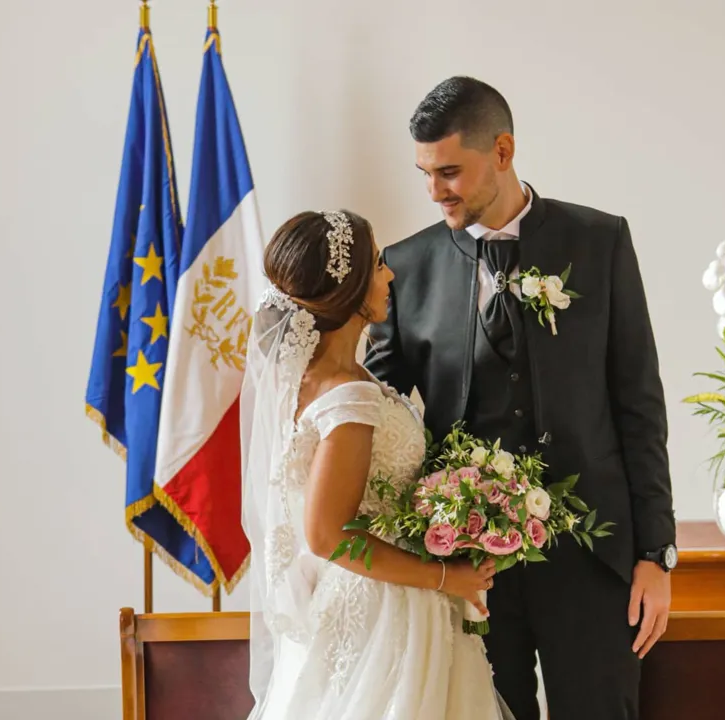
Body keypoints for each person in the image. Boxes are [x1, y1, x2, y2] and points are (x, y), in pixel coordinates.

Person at [364, 76, 678, 720]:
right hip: (468, 569)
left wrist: (655, 555)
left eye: (449, 171)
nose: (435, 191)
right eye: (425, 174)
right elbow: (377, 412)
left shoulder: (600, 242)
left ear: (502, 151)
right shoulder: (407, 266)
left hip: (594, 560)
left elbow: (640, 406)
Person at [240, 209, 515, 720]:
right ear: (347, 289)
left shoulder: (332, 379)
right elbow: (327, 535)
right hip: (386, 610)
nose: (390, 275)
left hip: (380, 592)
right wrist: (443, 577)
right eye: (377, 265)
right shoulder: (348, 397)